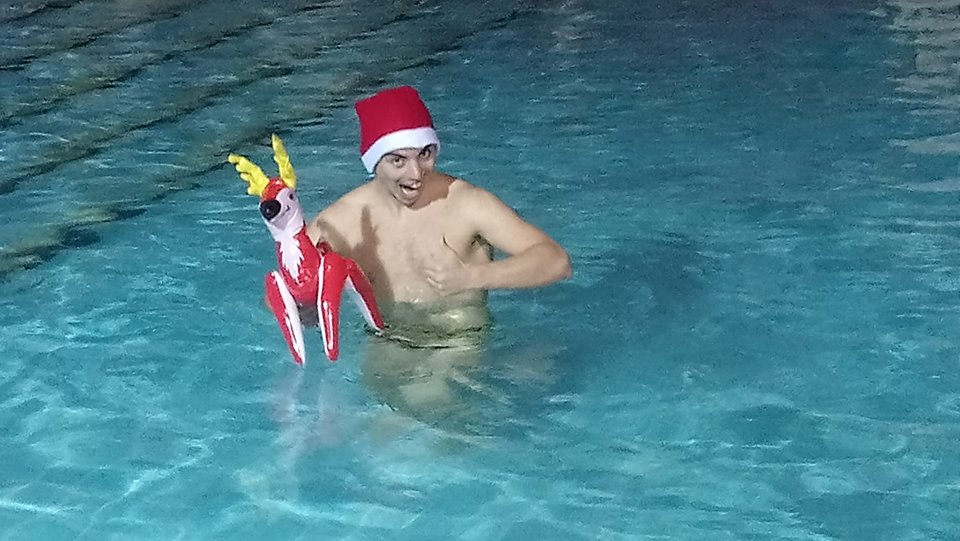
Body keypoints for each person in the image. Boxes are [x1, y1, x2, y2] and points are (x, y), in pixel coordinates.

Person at [306, 86, 571, 431]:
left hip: (457, 338)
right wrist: (306, 303)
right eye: (398, 161)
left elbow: (556, 261)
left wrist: (471, 277)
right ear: (374, 161)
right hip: (387, 340)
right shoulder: (341, 223)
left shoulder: (466, 204)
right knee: (374, 437)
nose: (416, 173)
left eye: (425, 154)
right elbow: (285, 294)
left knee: (426, 409)